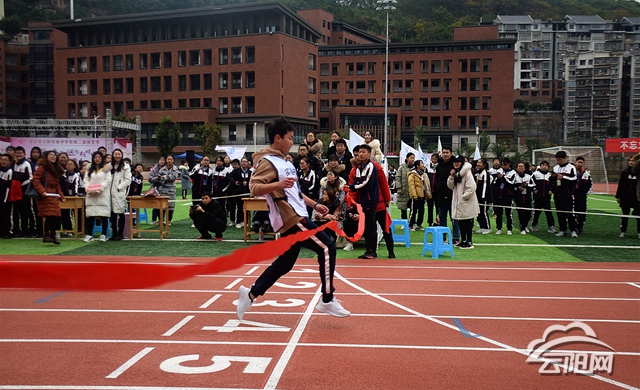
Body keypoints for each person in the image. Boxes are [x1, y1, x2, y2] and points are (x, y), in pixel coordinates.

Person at [237, 117, 350, 320]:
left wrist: (314, 204)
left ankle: (250, 294)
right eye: (289, 138)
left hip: (298, 213)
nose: (292, 142)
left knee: (286, 263)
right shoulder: (268, 162)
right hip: (291, 217)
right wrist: (277, 186)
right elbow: (254, 188)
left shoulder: (284, 161)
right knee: (327, 247)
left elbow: (295, 192)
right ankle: (327, 299)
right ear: (278, 138)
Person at [348, 144, 379, 259]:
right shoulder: (359, 168)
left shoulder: (371, 166)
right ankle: (368, 249)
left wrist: (352, 187)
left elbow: (367, 183)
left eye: (363, 152)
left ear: (369, 154)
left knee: (371, 226)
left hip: (370, 200)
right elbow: (356, 182)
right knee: (365, 225)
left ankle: (372, 251)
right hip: (363, 201)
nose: (360, 154)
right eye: (359, 152)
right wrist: (350, 186)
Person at [32, 150, 66, 244]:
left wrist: (61, 196)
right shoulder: (42, 168)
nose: (53, 157)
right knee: (50, 215)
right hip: (45, 195)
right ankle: (47, 235)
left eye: (54, 155)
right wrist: (42, 191)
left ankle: (53, 234)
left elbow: (57, 185)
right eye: (51, 155)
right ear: (46, 157)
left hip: (53, 195)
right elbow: (36, 180)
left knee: (56, 216)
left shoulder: (55, 169)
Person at [448, 155, 479, 249]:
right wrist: (451, 177)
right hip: (459, 201)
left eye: (458, 162)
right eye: (454, 162)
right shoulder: (457, 174)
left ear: (462, 163)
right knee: (461, 221)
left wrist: (464, 197)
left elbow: (472, 187)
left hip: (467, 201)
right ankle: (463, 240)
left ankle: (469, 241)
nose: (456, 163)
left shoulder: (467, 173)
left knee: (468, 221)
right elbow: (451, 186)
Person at [84, 151, 112, 242]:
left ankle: (103, 234)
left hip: (102, 194)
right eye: (95, 157)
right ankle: (89, 234)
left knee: (103, 214)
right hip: (91, 194)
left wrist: (101, 188)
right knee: (91, 215)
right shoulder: (89, 168)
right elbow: (86, 180)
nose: (97, 159)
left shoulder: (106, 168)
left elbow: (108, 180)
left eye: (99, 157)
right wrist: (87, 188)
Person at [435, 147, 460, 243]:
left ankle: (456, 237)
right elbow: (437, 179)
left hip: (452, 194)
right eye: (443, 152)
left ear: (451, 153)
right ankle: (443, 237)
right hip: (441, 195)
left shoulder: (455, 165)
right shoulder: (439, 165)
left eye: (447, 152)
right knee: (442, 218)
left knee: (454, 218)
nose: (445, 154)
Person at [551, 151, 578, 238]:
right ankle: (563, 230)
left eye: (560, 159)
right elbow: (552, 180)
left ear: (565, 158)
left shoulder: (571, 167)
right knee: (560, 213)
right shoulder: (555, 168)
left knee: (569, 212)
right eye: (557, 160)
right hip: (558, 194)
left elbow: (574, 178)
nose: (559, 161)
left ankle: (573, 230)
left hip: (567, 194)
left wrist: (563, 177)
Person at [12, 146, 36, 238]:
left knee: (28, 211)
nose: (18, 155)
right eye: (17, 153)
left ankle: (31, 230)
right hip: (16, 191)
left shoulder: (26, 164)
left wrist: (21, 185)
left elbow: (30, 177)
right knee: (19, 210)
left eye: (20, 153)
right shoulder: (14, 164)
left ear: (24, 154)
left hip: (25, 190)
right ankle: (21, 230)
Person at [109, 149, 132, 240]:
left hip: (120, 193)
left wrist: (119, 187)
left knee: (120, 212)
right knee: (112, 214)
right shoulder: (109, 166)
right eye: (115, 154)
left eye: (119, 154)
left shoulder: (125, 166)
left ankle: (120, 233)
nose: (117, 156)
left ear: (121, 155)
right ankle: (114, 233)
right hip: (109, 193)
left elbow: (128, 180)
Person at [615, 156, 640, 238]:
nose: (631, 162)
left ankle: (639, 232)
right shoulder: (625, 172)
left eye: (633, 161)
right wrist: (618, 196)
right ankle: (623, 231)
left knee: (638, 215)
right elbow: (621, 184)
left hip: (636, 198)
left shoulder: (638, 173)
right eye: (630, 161)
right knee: (625, 215)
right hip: (625, 198)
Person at [531, 161, 556, 233]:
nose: (544, 166)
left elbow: (553, 184)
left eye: (546, 165)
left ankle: (551, 227)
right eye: (543, 165)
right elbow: (531, 182)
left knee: (549, 213)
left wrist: (551, 190)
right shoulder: (535, 174)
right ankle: (533, 225)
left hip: (547, 198)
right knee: (536, 212)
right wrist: (534, 189)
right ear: (540, 166)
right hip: (538, 197)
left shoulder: (550, 175)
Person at [494, 157, 516, 235]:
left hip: (508, 195)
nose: (504, 167)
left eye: (505, 165)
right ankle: (499, 228)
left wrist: (504, 177)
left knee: (508, 213)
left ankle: (509, 228)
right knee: (498, 212)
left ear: (509, 164)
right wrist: (498, 178)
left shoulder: (513, 172)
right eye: (502, 165)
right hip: (499, 195)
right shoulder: (499, 170)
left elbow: (512, 182)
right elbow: (495, 182)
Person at [156, 155, 179, 226]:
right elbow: (158, 178)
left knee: (171, 206)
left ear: (173, 160)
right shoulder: (162, 169)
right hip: (162, 190)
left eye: (171, 159)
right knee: (161, 206)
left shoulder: (176, 169)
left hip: (171, 190)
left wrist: (164, 177)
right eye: (168, 159)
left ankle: (169, 220)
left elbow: (174, 177)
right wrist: (163, 179)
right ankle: (161, 220)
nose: (169, 160)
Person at [514, 162, 535, 235]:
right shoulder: (514, 176)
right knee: (521, 213)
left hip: (527, 197)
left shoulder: (528, 176)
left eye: (522, 166)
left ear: (525, 168)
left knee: (528, 214)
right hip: (518, 198)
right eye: (519, 166)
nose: (520, 168)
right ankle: (522, 228)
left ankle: (525, 225)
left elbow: (533, 185)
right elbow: (511, 186)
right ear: (517, 168)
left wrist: (527, 185)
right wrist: (517, 188)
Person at [230, 157, 252, 228]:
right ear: (241, 163)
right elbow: (228, 177)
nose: (244, 163)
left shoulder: (250, 172)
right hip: (238, 192)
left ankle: (247, 222)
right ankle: (239, 222)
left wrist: (248, 183)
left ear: (248, 163)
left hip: (247, 192)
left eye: (245, 162)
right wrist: (234, 182)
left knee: (247, 208)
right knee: (239, 207)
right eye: (242, 161)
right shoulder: (236, 171)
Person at [60, 159, 80, 236]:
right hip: (63, 195)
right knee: (63, 213)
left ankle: (69, 229)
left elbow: (76, 185)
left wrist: (75, 193)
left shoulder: (76, 175)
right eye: (68, 164)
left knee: (69, 213)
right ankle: (64, 229)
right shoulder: (63, 174)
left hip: (71, 196)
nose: (69, 166)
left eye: (71, 164)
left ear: (75, 166)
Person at [574, 156, 593, 234]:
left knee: (582, 212)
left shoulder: (586, 173)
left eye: (582, 163)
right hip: (573, 195)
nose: (580, 164)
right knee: (572, 212)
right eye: (578, 162)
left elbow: (590, 184)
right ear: (575, 162)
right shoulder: (572, 171)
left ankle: (580, 226)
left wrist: (586, 192)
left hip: (582, 196)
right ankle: (573, 226)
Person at [408, 160, 427, 231]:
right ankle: (411, 225)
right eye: (421, 163)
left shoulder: (423, 174)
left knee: (421, 210)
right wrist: (414, 195)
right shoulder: (412, 174)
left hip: (422, 195)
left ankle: (419, 224)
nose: (423, 165)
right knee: (414, 211)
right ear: (417, 166)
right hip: (416, 196)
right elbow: (411, 185)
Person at [475, 158, 492, 234]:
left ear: (484, 164)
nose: (478, 164)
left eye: (480, 163)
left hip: (483, 196)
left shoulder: (485, 173)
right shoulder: (477, 172)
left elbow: (485, 185)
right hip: (477, 196)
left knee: (484, 212)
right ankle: (482, 227)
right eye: (478, 162)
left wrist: (483, 196)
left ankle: (488, 227)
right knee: (479, 212)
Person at [395, 152, 414, 220]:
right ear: (407, 158)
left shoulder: (414, 168)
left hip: (412, 191)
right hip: (403, 191)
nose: (412, 159)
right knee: (403, 208)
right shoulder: (402, 168)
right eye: (411, 158)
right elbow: (397, 178)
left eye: (413, 158)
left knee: (413, 208)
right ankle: (404, 222)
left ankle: (411, 222)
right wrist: (399, 188)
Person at [148, 156, 166, 224]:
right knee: (155, 205)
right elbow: (150, 179)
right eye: (161, 160)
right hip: (155, 189)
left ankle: (162, 220)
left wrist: (162, 179)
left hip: (164, 188)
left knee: (163, 205)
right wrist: (157, 179)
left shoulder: (166, 169)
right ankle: (153, 220)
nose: (162, 161)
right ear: (158, 161)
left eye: (163, 160)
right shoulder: (154, 169)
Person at [0, 154, 14, 239]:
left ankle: (8, 231)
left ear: (10, 162)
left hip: (6, 196)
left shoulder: (10, 171)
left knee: (7, 214)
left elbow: (10, 185)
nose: (3, 162)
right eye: (2, 160)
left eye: (5, 160)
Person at [426, 154, 438, 226]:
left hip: (437, 191)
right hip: (429, 191)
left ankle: (437, 221)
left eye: (435, 159)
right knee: (430, 208)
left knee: (438, 208)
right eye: (433, 159)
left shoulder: (439, 167)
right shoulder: (427, 167)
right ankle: (430, 222)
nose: (434, 160)